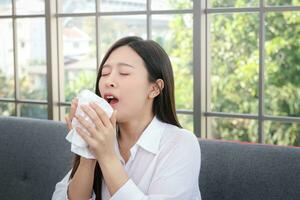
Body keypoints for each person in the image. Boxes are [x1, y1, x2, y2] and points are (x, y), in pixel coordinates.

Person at [51, 36, 201, 200]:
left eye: (124, 73)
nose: (109, 81)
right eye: (105, 73)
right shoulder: (103, 138)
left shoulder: (180, 143)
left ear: (154, 88)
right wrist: (87, 151)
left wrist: (106, 156)